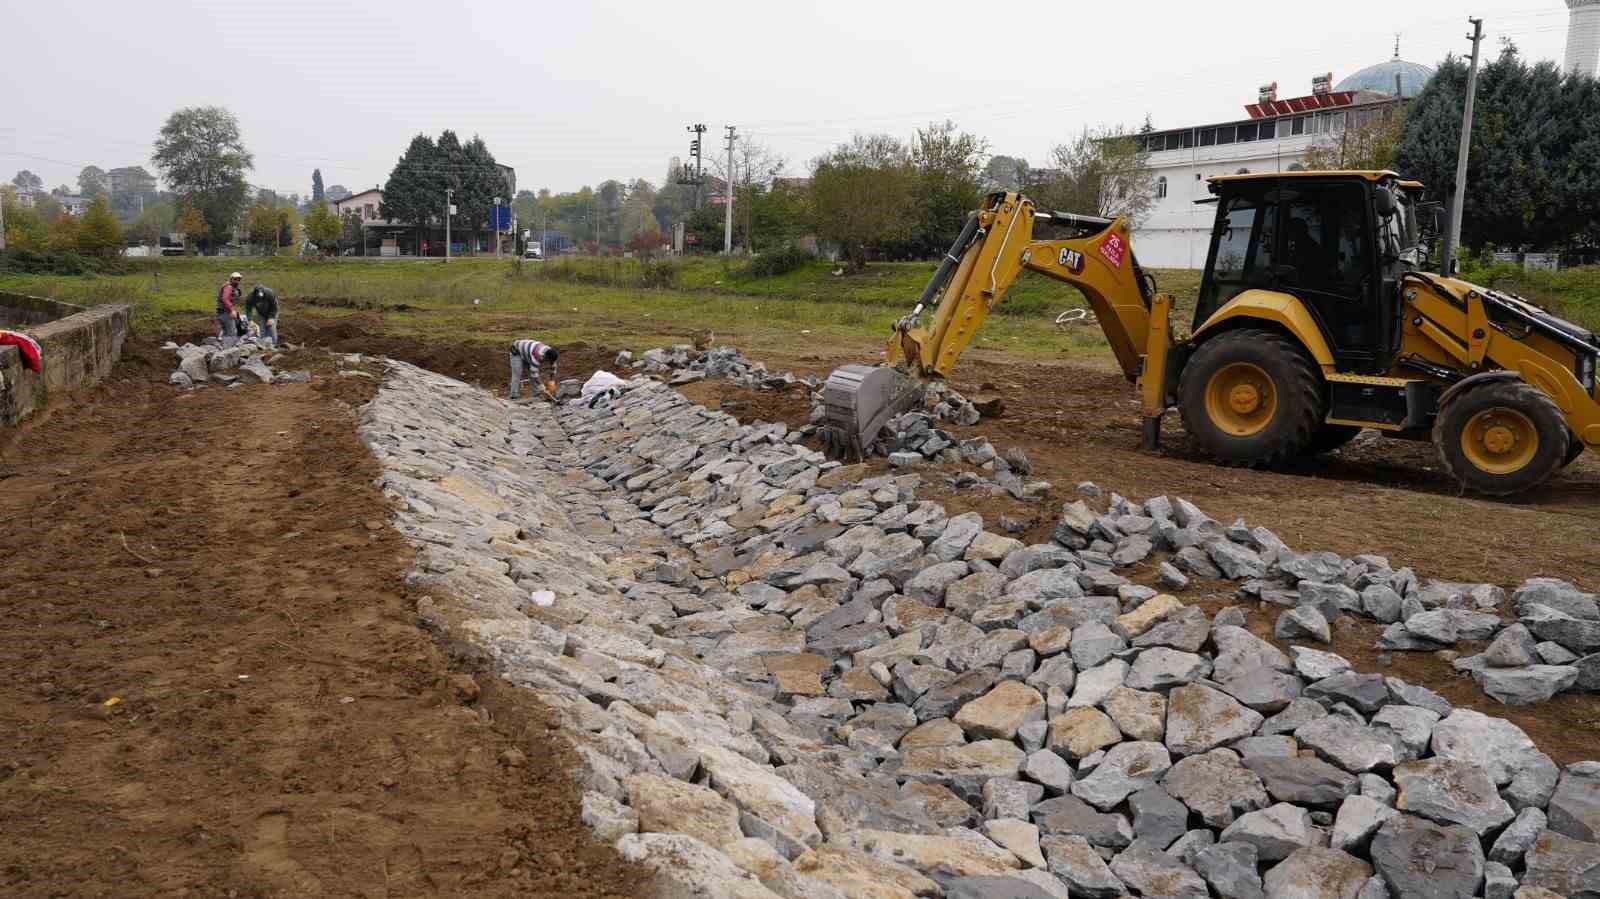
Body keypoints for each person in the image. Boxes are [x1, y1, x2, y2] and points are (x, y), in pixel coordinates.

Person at [216, 272, 245, 345]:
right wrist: (232, 310)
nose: (237, 281)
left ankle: (224, 349)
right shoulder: (228, 287)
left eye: (239, 279)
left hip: (222, 312)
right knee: (232, 333)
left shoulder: (231, 287)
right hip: (226, 313)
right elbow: (225, 299)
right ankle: (230, 351)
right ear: (231, 279)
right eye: (235, 279)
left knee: (226, 332)